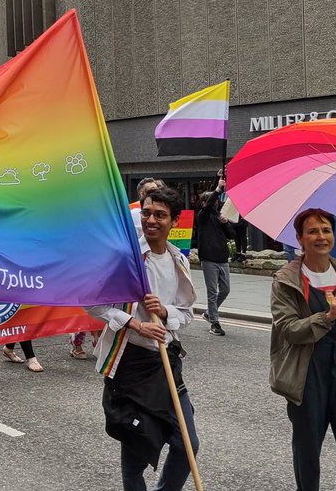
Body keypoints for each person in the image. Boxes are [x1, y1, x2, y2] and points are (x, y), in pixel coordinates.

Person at [86, 188, 198, 491]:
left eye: (160, 215)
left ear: (173, 220)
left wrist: (164, 312)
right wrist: (135, 324)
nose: (151, 219)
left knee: (187, 446)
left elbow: (187, 313)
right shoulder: (126, 258)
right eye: (146, 213)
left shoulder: (179, 261)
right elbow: (92, 302)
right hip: (130, 367)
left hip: (166, 366)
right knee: (137, 455)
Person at [269, 208, 336, 491]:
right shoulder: (286, 280)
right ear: (300, 238)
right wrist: (327, 317)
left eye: (326, 230)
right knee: (307, 457)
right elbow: (289, 330)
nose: (321, 237)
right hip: (308, 377)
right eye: (313, 231)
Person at [196, 180, 234, 337]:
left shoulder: (220, 217)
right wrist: (218, 189)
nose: (216, 203)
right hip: (209, 259)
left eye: (217, 201)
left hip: (222, 258)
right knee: (212, 292)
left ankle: (209, 313)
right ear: (205, 203)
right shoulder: (202, 216)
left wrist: (225, 224)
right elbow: (210, 203)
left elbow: (232, 235)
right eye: (214, 201)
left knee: (225, 290)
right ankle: (214, 323)